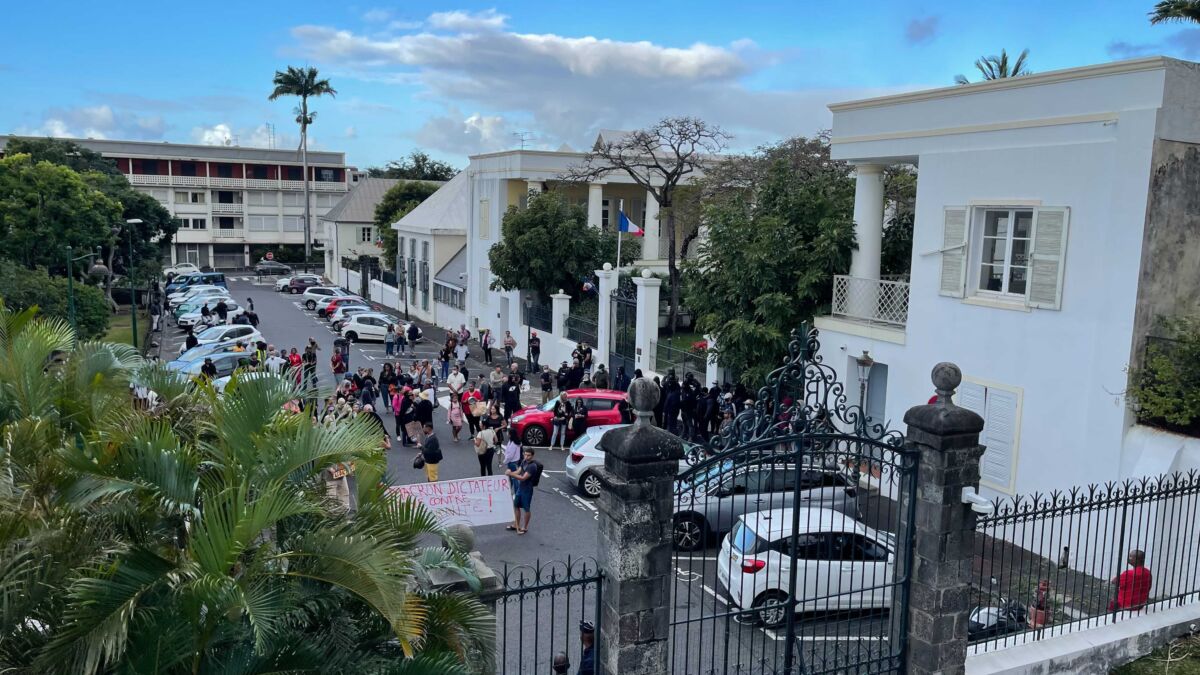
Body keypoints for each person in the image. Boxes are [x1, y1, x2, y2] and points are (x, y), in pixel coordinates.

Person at [505, 447, 540, 534]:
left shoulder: (532, 466)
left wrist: (510, 474)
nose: (526, 457)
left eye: (529, 455)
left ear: (532, 456)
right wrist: (510, 473)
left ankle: (525, 527)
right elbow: (518, 472)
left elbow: (523, 478)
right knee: (516, 506)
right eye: (525, 455)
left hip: (527, 489)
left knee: (526, 508)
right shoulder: (524, 462)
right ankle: (516, 525)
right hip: (521, 488)